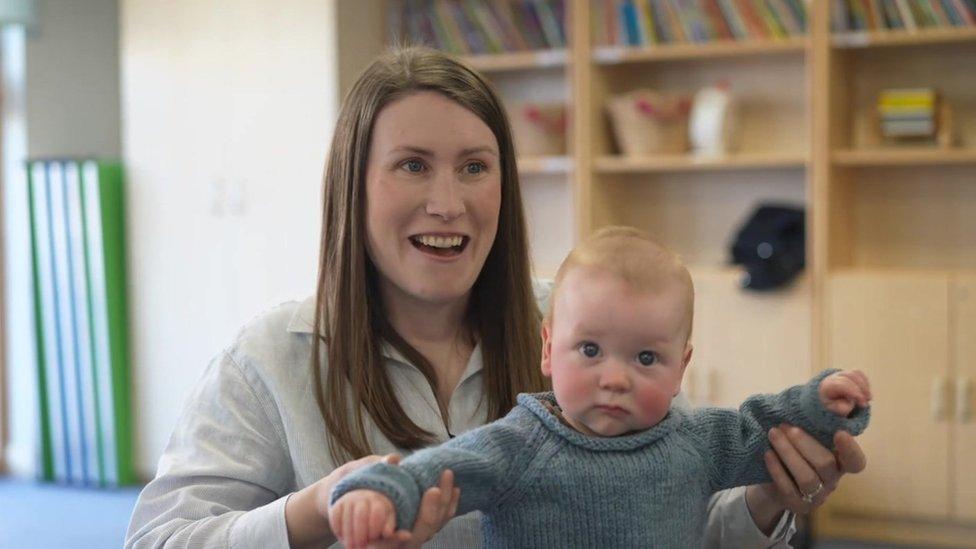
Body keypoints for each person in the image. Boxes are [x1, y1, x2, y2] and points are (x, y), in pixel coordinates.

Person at [125, 46, 868, 549]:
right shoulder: (271, 358)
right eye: (412, 166)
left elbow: (680, 511)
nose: (447, 202)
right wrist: (312, 512)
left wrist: (772, 501)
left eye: (474, 167)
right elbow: (158, 539)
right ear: (353, 186)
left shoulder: (581, 327)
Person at [327, 227, 872, 548]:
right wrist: (380, 493)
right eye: (589, 350)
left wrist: (821, 405)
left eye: (645, 357)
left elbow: (770, 427)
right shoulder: (517, 446)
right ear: (547, 349)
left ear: (681, 369)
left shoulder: (699, 440)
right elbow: (434, 471)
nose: (615, 377)